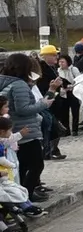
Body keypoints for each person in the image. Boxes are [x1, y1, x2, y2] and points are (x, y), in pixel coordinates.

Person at [0, 55, 49, 202]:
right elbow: (23, 109)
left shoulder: (4, 81)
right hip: (25, 129)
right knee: (36, 164)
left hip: (10, 129)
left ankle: (22, 194)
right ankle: (24, 196)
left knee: (21, 166)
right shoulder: (19, 84)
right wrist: (44, 104)